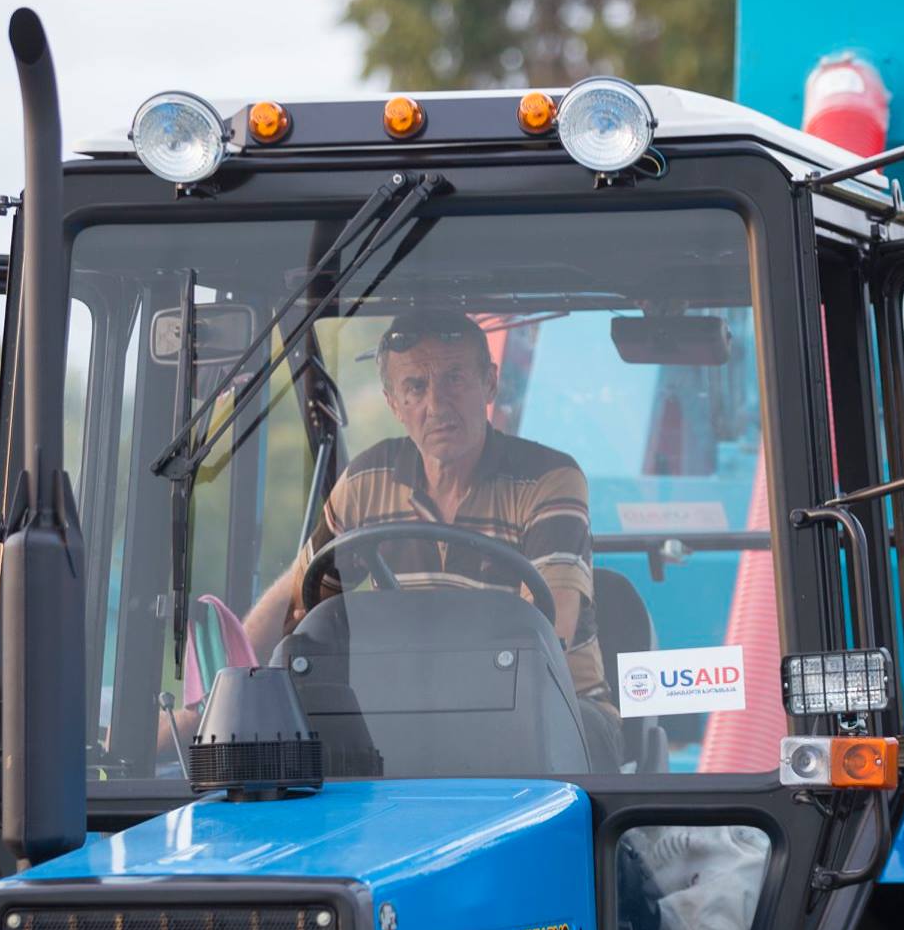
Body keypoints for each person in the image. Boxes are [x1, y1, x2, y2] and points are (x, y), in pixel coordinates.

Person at [242, 308, 622, 763]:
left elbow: (547, 634)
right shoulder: (367, 482)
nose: (437, 405)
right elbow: (300, 608)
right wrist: (232, 678)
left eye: (454, 378)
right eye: (416, 386)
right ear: (393, 403)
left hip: (559, 710)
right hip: (408, 717)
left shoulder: (548, 479)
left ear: (490, 383)